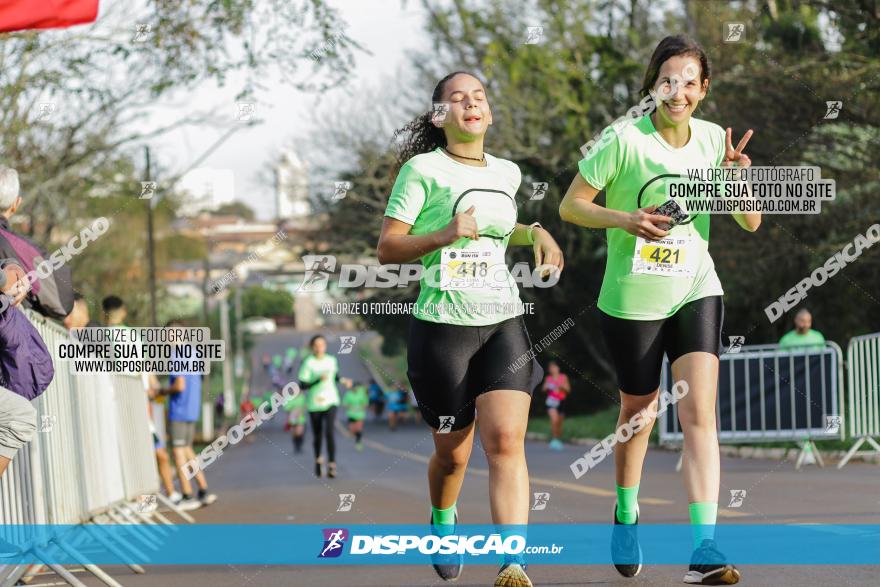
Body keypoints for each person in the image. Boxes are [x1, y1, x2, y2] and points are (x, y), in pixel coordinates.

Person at [560, 35, 758, 585]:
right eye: (669, 81)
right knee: (640, 414)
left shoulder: (715, 141)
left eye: (690, 82)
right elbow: (570, 205)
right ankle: (626, 511)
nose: (679, 92)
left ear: (704, 89)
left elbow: (751, 223)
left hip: (696, 286)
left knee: (699, 416)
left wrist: (736, 175)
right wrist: (627, 219)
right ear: (652, 86)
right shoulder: (623, 139)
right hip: (632, 297)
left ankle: (705, 548)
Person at [377, 71, 564, 587]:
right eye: (457, 99)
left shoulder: (507, 172)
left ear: (489, 110)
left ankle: (513, 565)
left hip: (502, 319)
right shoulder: (421, 170)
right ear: (440, 115)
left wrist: (537, 233)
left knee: (506, 440)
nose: (471, 104)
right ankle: (443, 517)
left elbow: (502, 229)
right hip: (443, 328)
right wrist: (442, 233)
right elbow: (388, 247)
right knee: (452, 454)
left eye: (479, 96)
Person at [156, 322, 218, 510]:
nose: (166, 340)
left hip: (180, 410)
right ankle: (203, 489)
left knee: (178, 452)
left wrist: (162, 390)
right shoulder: (193, 353)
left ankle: (186, 494)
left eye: (168, 335)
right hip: (192, 410)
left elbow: (179, 386)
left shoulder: (177, 355)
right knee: (188, 450)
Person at [298, 334, 351, 478]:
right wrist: (316, 380)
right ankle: (318, 460)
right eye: (317, 345)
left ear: (325, 346)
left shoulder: (331, 360)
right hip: (315, 403)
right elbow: (302, 384)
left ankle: (332, 464)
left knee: (329, 432)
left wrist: (344, 381)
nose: (320, 347)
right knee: (318, 435)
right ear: (312, 347)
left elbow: (335, 376)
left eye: (322, 344)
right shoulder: (308, 363)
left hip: (330, 400)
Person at [541, 361, 571, 450]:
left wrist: (561, 386)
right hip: (551, 402)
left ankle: (558, 439)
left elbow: (568, 390)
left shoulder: (563, 377)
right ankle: (554, 440)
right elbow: (543, 389)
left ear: (558, 368)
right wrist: (546, 387)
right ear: (549, 370)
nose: (553, 369)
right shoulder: (548, 378)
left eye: (554, 367)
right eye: (551, 368)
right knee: (554, 420)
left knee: (559, 423)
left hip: (561, 401)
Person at [342, 382, 369, 450]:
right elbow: (345, 403)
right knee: (352, 430)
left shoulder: (362, 394)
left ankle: (358, 442)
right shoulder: (348, 394)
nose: (356, 389)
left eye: (357, 387)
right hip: (351, 414)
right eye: (354, 387)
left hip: (360, 414)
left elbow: (365, 404)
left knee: (359, 428)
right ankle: (354, 435)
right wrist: (351, 407)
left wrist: (360, 408)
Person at [282, 383, 307, 454]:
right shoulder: (289, 398)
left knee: (299, 432)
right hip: (292, 419)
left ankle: (299, 445)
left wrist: (301, 410)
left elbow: (305, 406)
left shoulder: (302, 397)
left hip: (300, 418)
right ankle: (295, 446)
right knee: (294, 433)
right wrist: (293, 411)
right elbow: (286, 408)